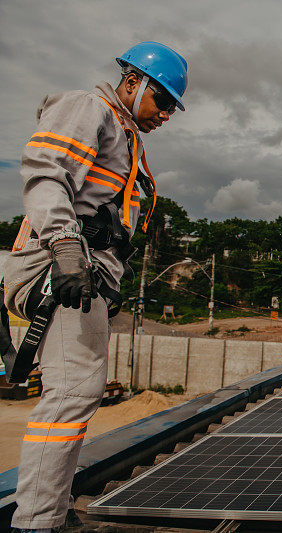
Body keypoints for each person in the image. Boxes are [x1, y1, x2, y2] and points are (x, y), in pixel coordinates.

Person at [2, 41, 188, 532]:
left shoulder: (127, 137)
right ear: (133, 82)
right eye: (162, 101)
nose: (166, 115)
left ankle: (50, 512)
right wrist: (65, 251)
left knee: (78, 395)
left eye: (172, 107)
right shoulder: (90, 108)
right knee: (70, 395)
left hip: (84, 274)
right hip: (60, 269)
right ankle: (36, 523)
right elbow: (46, 175)